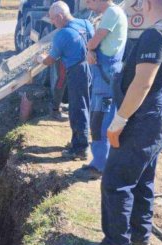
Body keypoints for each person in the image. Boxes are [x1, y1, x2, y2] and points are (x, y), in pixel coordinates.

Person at [86, 0, 162, 245]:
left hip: (142, 117)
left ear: (149, 3)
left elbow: (143, 83)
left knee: (116, 179)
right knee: (143, 177)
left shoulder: (155, 35)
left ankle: (116, 244)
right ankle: (139, 235)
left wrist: (119, 121)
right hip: (158, 115)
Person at [76, 0, 127, 179]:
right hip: (105, 72)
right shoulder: (112, 14)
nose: (89, 6)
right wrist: (91, 50)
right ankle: (100, 162)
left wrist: (90, 48)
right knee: (100, 117)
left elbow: (94, 41)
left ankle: (100, 166)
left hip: (106, 75)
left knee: (100, 118)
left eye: (90, 1)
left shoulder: (112, 13)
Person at [37, 0, 94, 160]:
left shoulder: (62, 34)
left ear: (60, 16)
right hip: (91, 67)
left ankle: (80, 149)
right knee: (86, 106)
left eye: (53, 19)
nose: (53, 23)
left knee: (78, 109)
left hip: (77, 72)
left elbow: (51, 60)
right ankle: (79, 141)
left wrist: (40, 59)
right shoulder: (86, 23)